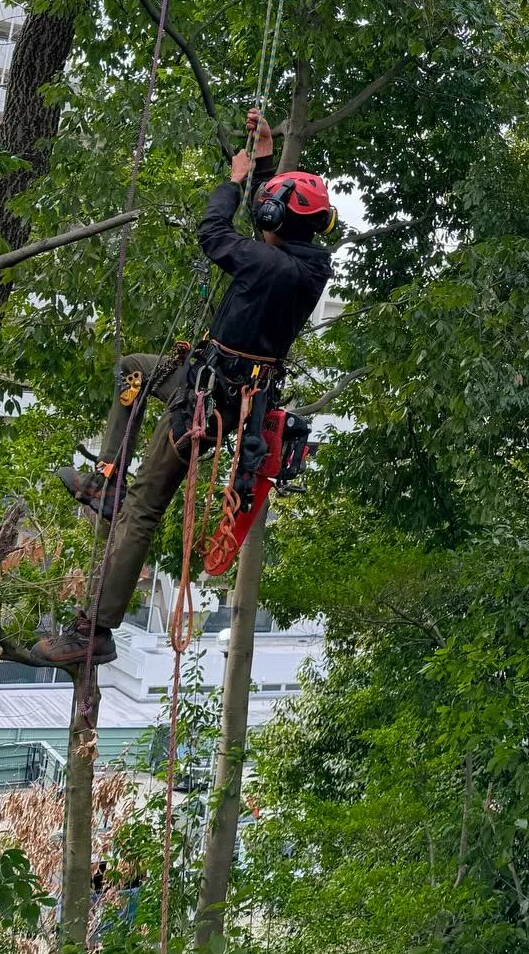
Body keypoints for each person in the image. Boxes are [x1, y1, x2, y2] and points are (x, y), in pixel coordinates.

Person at [33, 111, 334, 668]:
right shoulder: (306, 262)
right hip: (214, 378)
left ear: (271, 219)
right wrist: (263, 159)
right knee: (133, 369)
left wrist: (233, 178)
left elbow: (214, 234)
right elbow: (265, 224)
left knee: (146, 507)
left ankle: (95, 628)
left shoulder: (267, 264)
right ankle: (108, 478)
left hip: (209, 402)